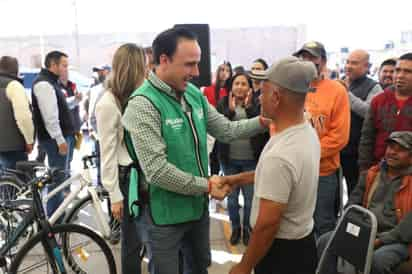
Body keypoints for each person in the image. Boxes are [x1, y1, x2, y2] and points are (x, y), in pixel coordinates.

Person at [122, 27, 266, 274]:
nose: (197, 72)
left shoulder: (192, 95)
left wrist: (263, 122)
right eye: (189, 64)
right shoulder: (143, 105)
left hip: (197, 210)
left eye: (198, 64)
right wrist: (207, 186)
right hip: (164, 216)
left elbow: (226, 130)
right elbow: (157, 172)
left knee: (199, 267)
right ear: (163, 60)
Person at [223, 56, 320, 274]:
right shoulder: (305, 131)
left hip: (281, 256)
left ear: (276, 97)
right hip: (303, 245)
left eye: (263, 91)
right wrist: (236, 180)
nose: (258, 98)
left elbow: (268, 225)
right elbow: (279, 181)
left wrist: (244, 266)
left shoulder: (281, 154)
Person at [317, 131, 412, 274]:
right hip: (366, 231)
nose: (392, 153)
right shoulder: (371, 174)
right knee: (325, 241)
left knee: (377, 261)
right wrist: (350, 230)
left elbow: (406, 229)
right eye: (391, 147)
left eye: (401, 150)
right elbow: (352, 207)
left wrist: (379, 241)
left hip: (397, 240)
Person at [96, 43, 147, 274]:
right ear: (135, 67)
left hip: (144, 173)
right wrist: (114, 195)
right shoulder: (108, 103)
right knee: (132, 243)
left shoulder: (139, 94)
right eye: (143, 65)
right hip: (128, 179)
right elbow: (107, 152)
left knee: (149, 238)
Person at [295, 41, 351, 236]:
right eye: (304, 57)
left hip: (324, 173)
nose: (307, 62)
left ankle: (320, 266)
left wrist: (307, 153)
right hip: (295, 171)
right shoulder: (292, 87)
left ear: (324, 61)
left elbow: (339, 136)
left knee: (322, 224)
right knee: (296, 223)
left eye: (313, 57)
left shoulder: (337, 91)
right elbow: (276, 125)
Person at [216, 72, 263, 245]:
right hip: (229, 160)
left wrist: (250, 108)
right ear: (231, 86)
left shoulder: (257, 104)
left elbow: (260, 126)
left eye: (244, 84)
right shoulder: (223, 104)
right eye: (237, 83)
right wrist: (229, 110)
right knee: (233, 199)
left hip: (251, 160)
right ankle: (235, 228)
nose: (240, 87)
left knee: (250, 199)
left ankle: (247, 230)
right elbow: (220, 128)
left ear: (249, 87)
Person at [32, 50, 75, 217]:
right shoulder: (44, 84)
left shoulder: (52, 82)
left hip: (61, 137)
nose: (66, 68)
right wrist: (60, 140)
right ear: (53, 65)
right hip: (55, 140)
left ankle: (58, 216)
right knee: (58, 181)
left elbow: (58, 109)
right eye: (63, 65)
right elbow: (50, 117)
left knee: (61, 179)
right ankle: (54, 219)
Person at [359, 53, 412, 171]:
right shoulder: (378, 101)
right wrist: (365, 171)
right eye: (397, 70)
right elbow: (367, 139)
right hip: (379, 170)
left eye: (408, 72)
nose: (400, 75)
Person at [340, 49, 383, 194]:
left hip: (358, 152)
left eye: (354, 63)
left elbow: (368, 112)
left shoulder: (374, 87)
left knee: (356, 191)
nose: (348, 66)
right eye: (347, 62)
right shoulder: (341, 82)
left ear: (367, 67)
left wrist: (346, 94)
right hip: (338, 148)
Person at [0, 56, 34, 169]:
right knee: (15, 183)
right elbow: (23, 117)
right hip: (12, 147)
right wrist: (29, 140)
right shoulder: (13, 86)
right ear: (16, 70)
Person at [60, 68, 82, 180]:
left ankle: (66, 188)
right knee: (64, 161)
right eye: (63, 67)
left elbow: (76, 108)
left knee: (69, 160)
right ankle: (64, 190)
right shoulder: (56, 87)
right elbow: (64, 105)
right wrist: (75, 99)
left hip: (73, 129)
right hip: (64, 130)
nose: (66, 71)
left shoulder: (72, 86)